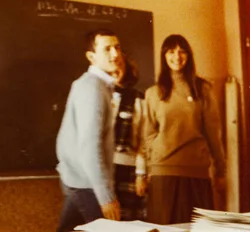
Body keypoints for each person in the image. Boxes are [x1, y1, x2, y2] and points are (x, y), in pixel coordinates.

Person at [143, 34, 226, 224]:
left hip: (196, 172)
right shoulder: (153, 93)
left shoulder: (202, 89)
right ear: (164, 56)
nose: (177, 56)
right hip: (163, 173)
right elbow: (148, 135)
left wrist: (220, 171)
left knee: (198, 229)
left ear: (188, 56)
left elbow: (214, 134)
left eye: (182, 52)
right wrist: (150, 167)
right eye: (171, 51)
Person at [55, 28, 123, 232]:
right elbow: (89, 147)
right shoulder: (92, 87)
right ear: (91, 56)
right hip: (86, 183)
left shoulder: (99, 85)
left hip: (79, 179)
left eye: (117, 47)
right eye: (107, 49)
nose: (115, 54)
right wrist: (106, 197)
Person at [111, 53, 148, 221]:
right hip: (103, 170)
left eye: (120, 65)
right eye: (112, 65)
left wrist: (141, 174)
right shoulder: (100, 96)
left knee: (128, 223)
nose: (115, 69)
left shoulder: (139, 99)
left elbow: (144, 140)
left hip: (129, 170)